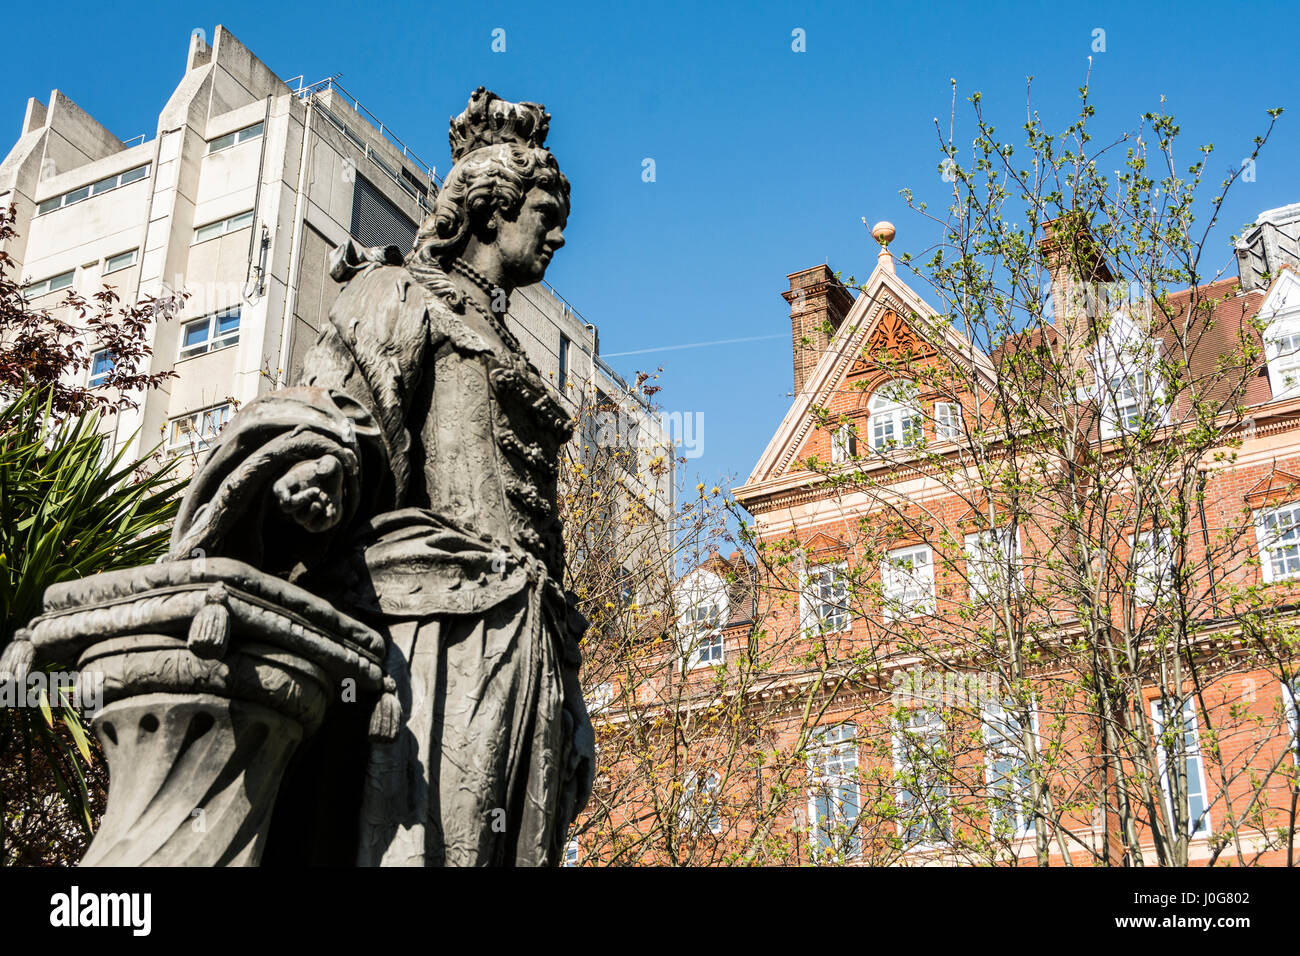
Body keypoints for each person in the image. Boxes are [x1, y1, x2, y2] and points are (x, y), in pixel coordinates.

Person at [167, 88, 594, 866]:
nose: (560, 232)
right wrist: (317, 468)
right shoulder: (398, 293)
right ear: (492, 209)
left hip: (528, 641)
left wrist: (572, 695)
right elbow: (348, 408)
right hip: (432, 631)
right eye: (545, 210)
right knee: (425, 844)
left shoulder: (506, 341)